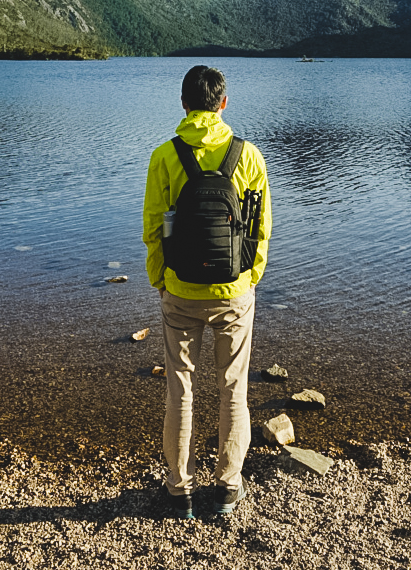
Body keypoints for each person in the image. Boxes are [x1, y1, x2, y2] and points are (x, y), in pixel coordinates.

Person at [142, 64, 272, 520]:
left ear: (183, 103)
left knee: (180, 388)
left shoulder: (165, 156)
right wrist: (250, 278)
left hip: (179, 290)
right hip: (234, 292)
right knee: (232, 389)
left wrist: (160, 280)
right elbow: (262, 230)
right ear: (223, 103)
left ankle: (180, 490)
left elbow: (153, 231)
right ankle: (228, 487)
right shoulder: (249, 156)